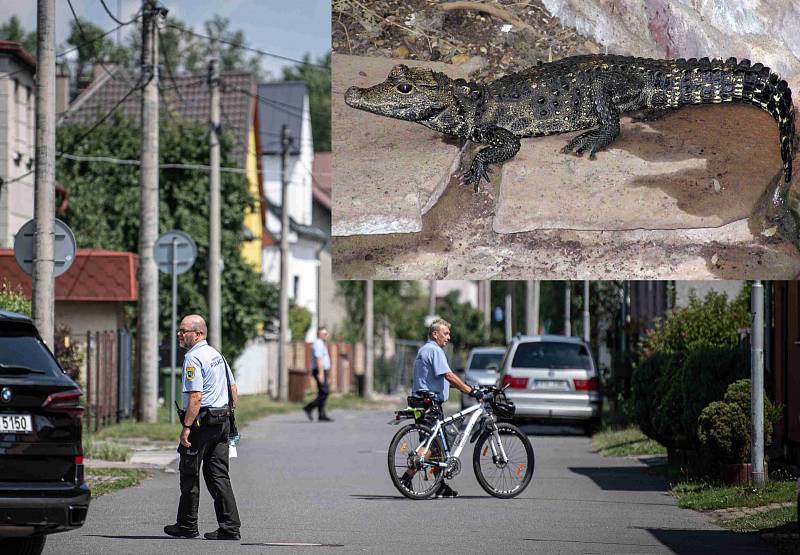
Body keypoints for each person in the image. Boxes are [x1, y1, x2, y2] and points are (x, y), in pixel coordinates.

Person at [164, 314, 241, 540]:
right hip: (222, 423)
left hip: (202, 425)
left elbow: (196, 397)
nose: (179, 334)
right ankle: (230, 527)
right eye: (179, 330)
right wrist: (225, 415)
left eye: (183, 331)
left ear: (198, 334)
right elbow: (233, 391)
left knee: (189, 474)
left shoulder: (193, 358)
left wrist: (186, 427)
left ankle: (187, 525)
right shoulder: (216, 355)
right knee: (218, 475)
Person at [403, 319, 483, 498]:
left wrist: (464, 385)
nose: (448, 337)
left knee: (435, 444)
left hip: (421, 401)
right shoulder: (435, 350)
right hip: (429, 403)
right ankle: (408, 476)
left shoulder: (424, 350)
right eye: (445, 333)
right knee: (435, 443)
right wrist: (471, 392)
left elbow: (438, 379)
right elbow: (448, 375)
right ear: (435, 334)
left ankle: (438, 486)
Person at [303, 327, 333, 422]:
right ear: (319, 335)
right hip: (319, 370)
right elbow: (319, 359)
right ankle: (309, 407)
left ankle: (321, 414)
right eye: (324, 334)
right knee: (325, 392)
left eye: (326, 333)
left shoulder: (322, 344)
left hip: (323, 371)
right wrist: (321, 374)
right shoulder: (318, 344)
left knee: (322, 392)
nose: (326, 335)